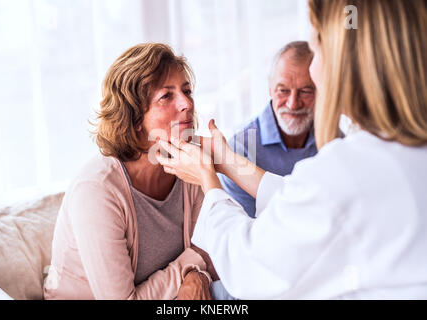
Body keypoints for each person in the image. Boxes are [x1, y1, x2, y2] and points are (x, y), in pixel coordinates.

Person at [157, 0, 427, 299]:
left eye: (316, 49)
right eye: (284, 89)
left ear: (343, 60)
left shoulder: (345, 167)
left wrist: (208, 180)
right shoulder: (398, 153)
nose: (313, 69)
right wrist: (228, 162)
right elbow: (308, 201)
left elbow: (252, 268)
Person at [43, 43, 217, 300]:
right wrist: (190, 272)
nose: (187, 104)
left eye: (187, 90)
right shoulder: (97, 189)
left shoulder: (189, 163)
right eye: (166, 96)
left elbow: (216, 249)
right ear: (134, 118)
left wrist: (199, 275)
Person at [220, 41, 317, 218]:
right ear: (270, 90)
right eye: (283, 91)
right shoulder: (239, 149)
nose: (293, 104)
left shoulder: (334, 139)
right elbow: (244, 231)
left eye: (305, 91)